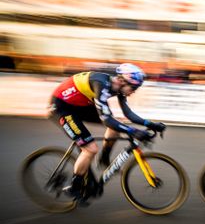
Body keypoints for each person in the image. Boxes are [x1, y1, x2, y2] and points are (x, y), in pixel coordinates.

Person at [48, 63, 166, 200]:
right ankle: (75, 186)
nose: (134, 91)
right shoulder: (101, 84)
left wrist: (151, 124)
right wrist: (133, 131)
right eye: (133, 87)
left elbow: (128, 114)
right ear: (122, 81)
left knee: (116, 125)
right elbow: (106, 120)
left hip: (79, 105)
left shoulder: (119, 88)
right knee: (90, 149)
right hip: (62, 107)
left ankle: (103, 158)